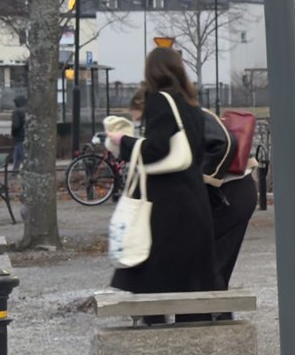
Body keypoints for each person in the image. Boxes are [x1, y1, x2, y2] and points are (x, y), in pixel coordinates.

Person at [106, 47, 220, 306]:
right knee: (192, 275)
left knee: (153, 273)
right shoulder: (191, 103)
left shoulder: (159, 101)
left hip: (167, 202)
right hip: (194, 198)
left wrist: (122, 142)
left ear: (152, 71)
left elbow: (156, 149)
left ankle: (153, 328)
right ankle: (198, 324)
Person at [202, 105, 259, 286]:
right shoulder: (201, 115)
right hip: (239, 190)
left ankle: (213, 311)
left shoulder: (183, 120)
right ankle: (216, 311)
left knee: (208, 269)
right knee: (217, 266)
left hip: (229, 194)